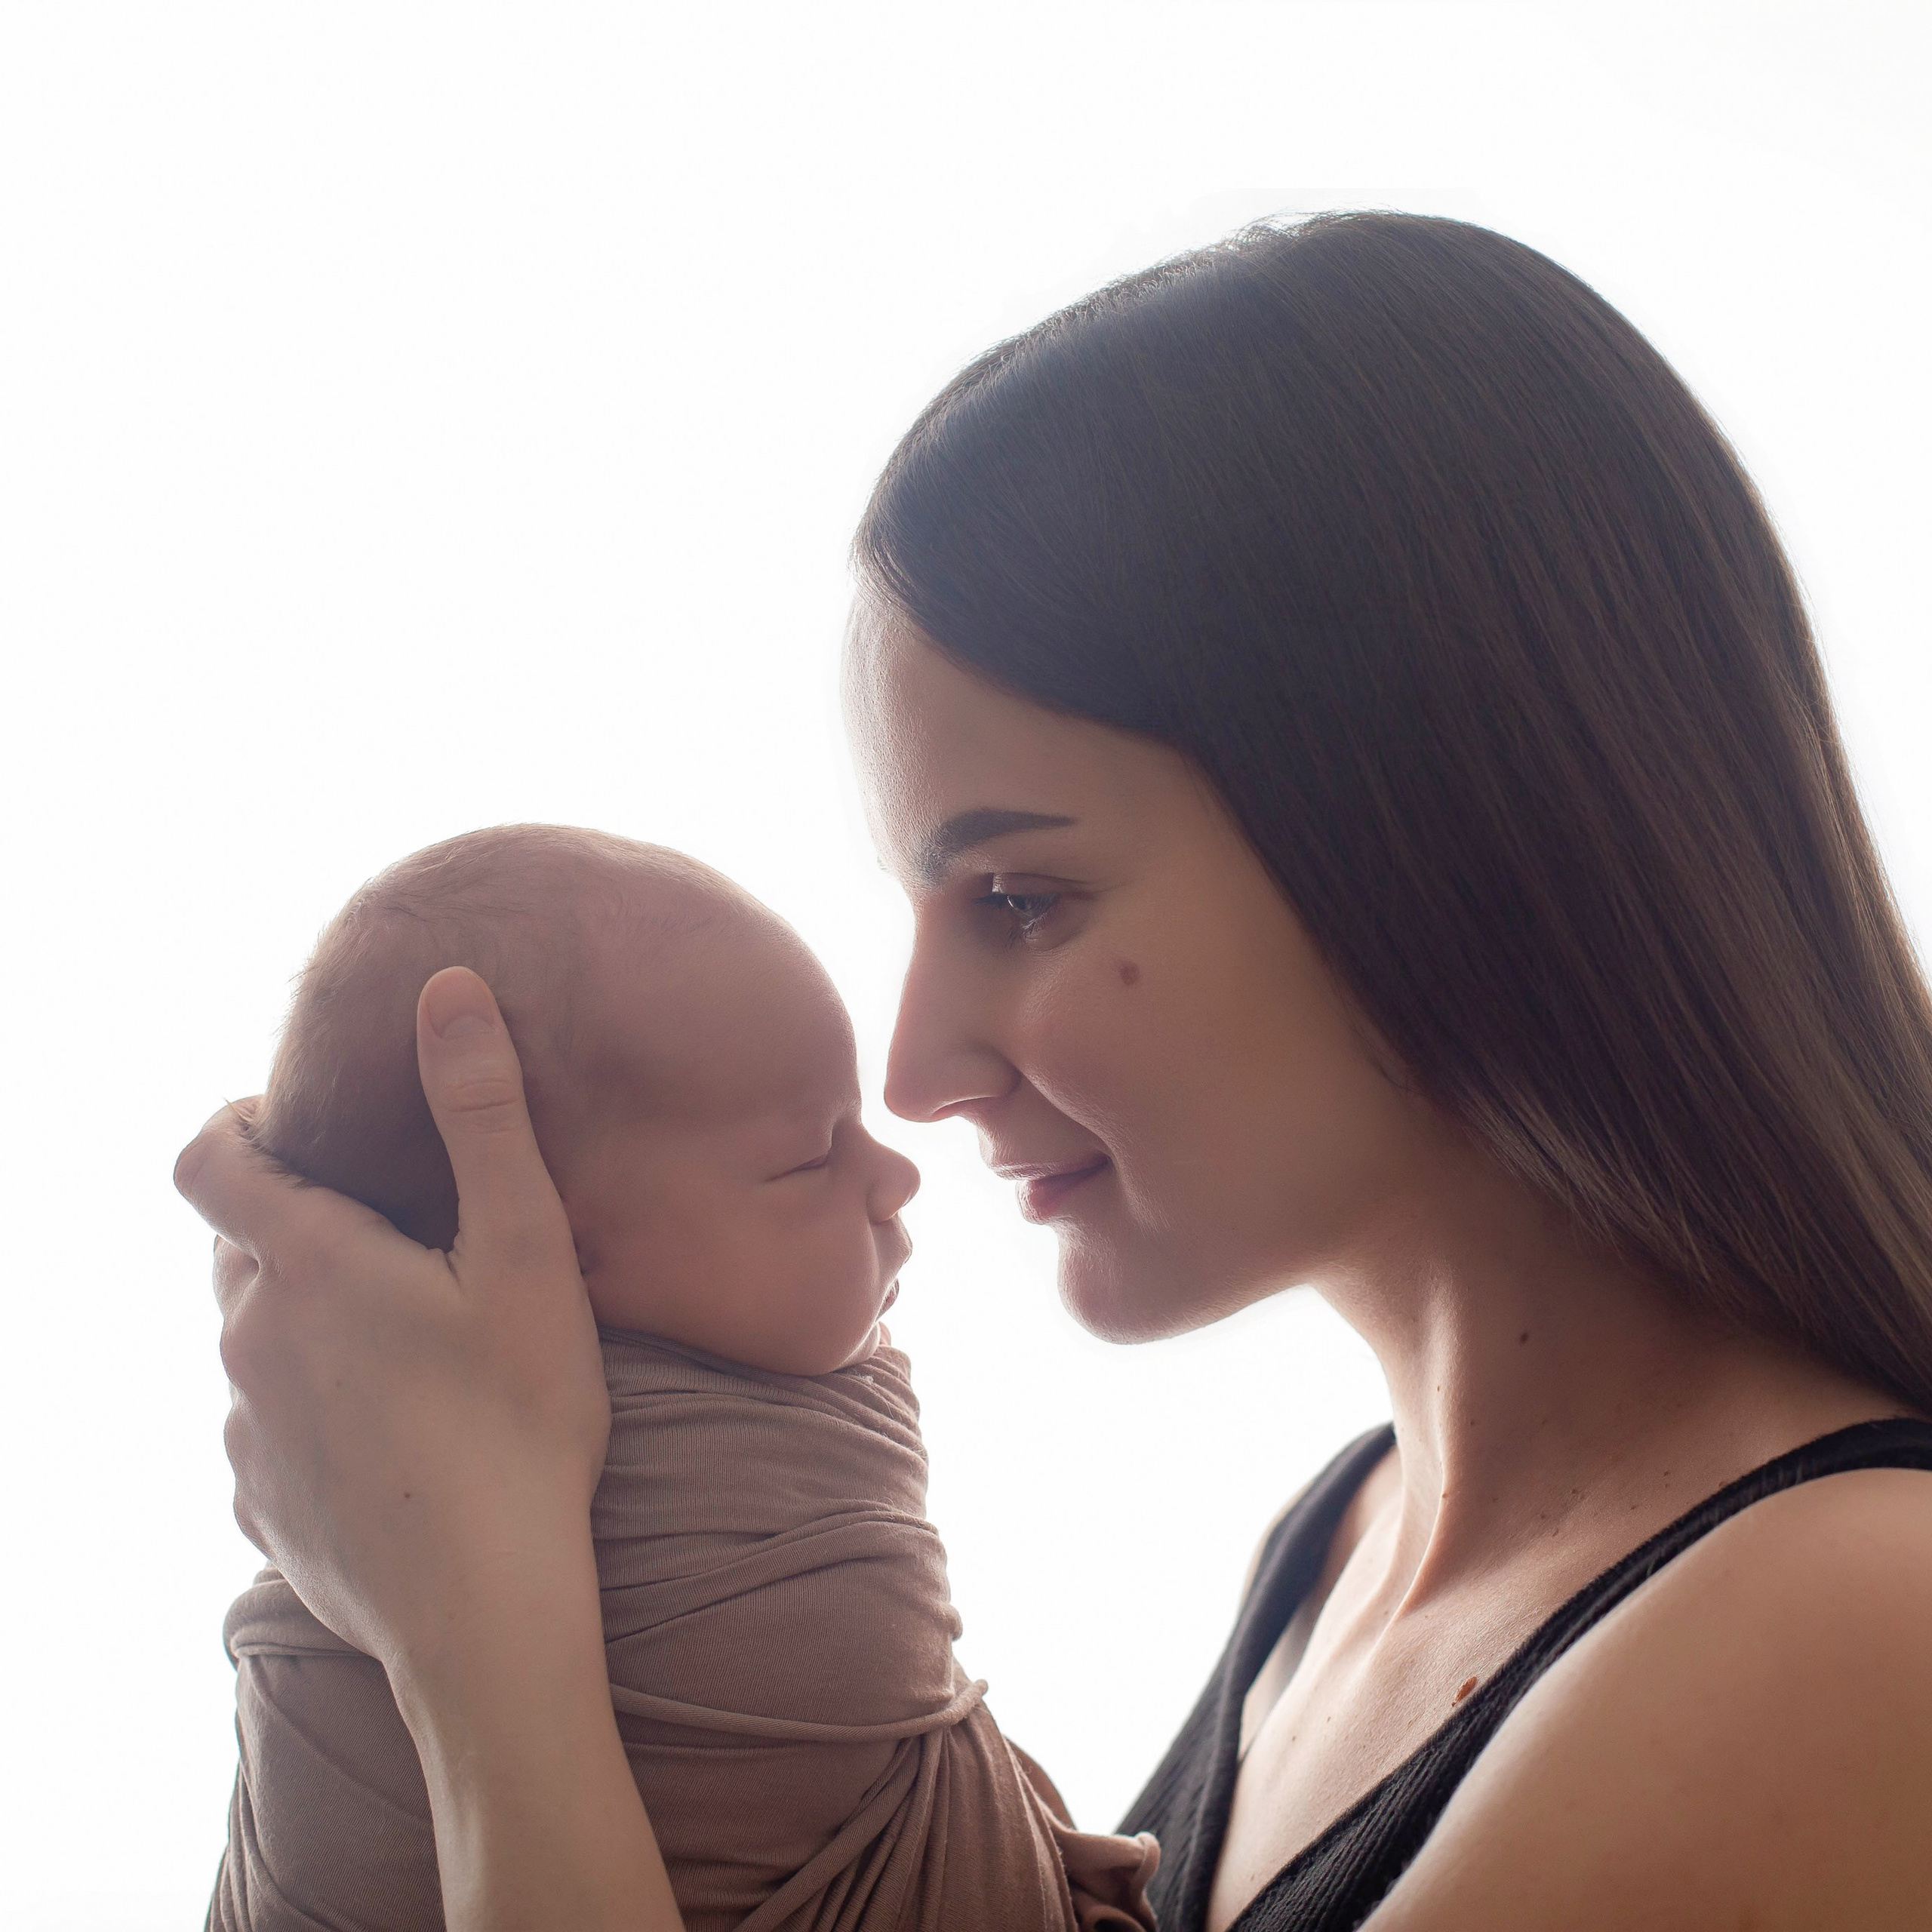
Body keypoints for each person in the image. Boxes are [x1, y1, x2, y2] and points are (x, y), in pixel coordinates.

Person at [178, 211, 1932, 1931]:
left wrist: (480, 1650)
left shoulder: (1852, 1624)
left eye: (1020, 895)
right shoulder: (1343, 1545)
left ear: (1444, 835)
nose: (916, 1069)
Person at [206, 824, 1155, 1932]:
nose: (896, 1174)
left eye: (1027, 899)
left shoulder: (358, 1495)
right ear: (541, 1252)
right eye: (812, 1154)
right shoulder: (748, 1519)